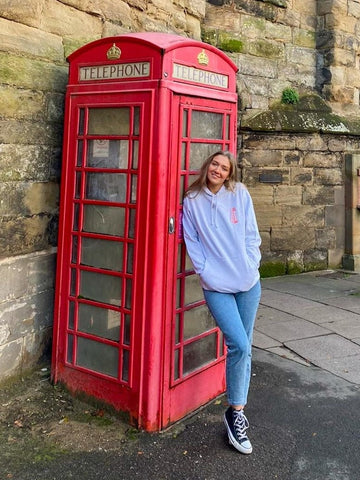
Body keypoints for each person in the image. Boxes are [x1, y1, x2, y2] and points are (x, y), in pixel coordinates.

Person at [182, 150, 261, 455]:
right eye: (214, 164)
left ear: (230, 173)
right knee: (238, 344)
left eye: (224, 167)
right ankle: (234, 411)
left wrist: (251, 264)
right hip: (217, 286)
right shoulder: (192, 200)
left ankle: (236, 412)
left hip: (247, 284)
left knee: (246, 346)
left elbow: (252, 234)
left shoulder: (239, 193)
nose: (217, 169)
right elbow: (191, 240)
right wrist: (206, 271)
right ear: (207, 166)